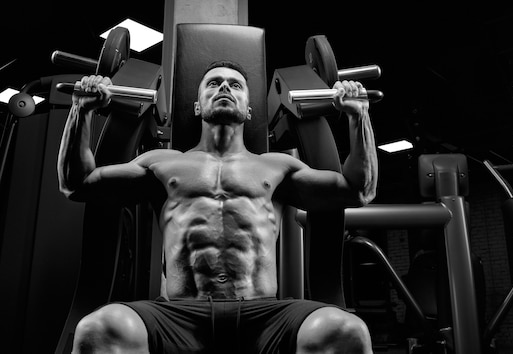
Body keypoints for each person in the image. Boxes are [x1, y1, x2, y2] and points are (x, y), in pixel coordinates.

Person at [58, 59, 378, 353]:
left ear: (249, 110)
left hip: (263, 313)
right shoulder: (162, 164)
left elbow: (358, 190)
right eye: (213, 84)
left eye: (235, 85)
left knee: (347, 330)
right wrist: (81, 109)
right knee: (97, 329)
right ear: (198, 106)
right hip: (180, 315)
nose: (224, 87)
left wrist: (358, 115)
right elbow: (78, 184)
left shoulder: (277, 167)